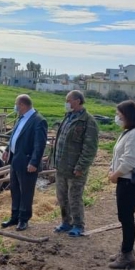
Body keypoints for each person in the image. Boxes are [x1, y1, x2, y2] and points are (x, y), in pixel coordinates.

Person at [50, 90, 99, 237]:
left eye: (68, 100)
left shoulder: (88, 122)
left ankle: (78, 224)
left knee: (74, 197)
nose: (66, 103)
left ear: (77, 101)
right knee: (61, 196)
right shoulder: (68, 117)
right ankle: (66, 222)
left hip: (75, 168)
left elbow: (90, 148)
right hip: (61, 166)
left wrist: (81, 166)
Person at [107, 100, 135, 269]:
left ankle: (127, 256)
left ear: (128, 115)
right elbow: (119, 155)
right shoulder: (128, 132)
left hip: (129, 182)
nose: (117, 117)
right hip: (125, 180)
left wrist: (116, 174)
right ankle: (125, 250)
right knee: (124, 217)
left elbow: (130, 160)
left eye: (119, 114)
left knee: (126, 217)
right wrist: (112, 169)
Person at [1, 94, 48, 231]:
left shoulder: (39, 121)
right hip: (15, 159)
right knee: (15, 190)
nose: (15, 107)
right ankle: (14, 217)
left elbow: (39, 145)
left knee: (26, 192)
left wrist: (34, 162)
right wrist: (7, 149)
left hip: (27, 162)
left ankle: (24, 219)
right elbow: (14, 136)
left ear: (22, 105)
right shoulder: (21, 118)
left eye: (16, 104)